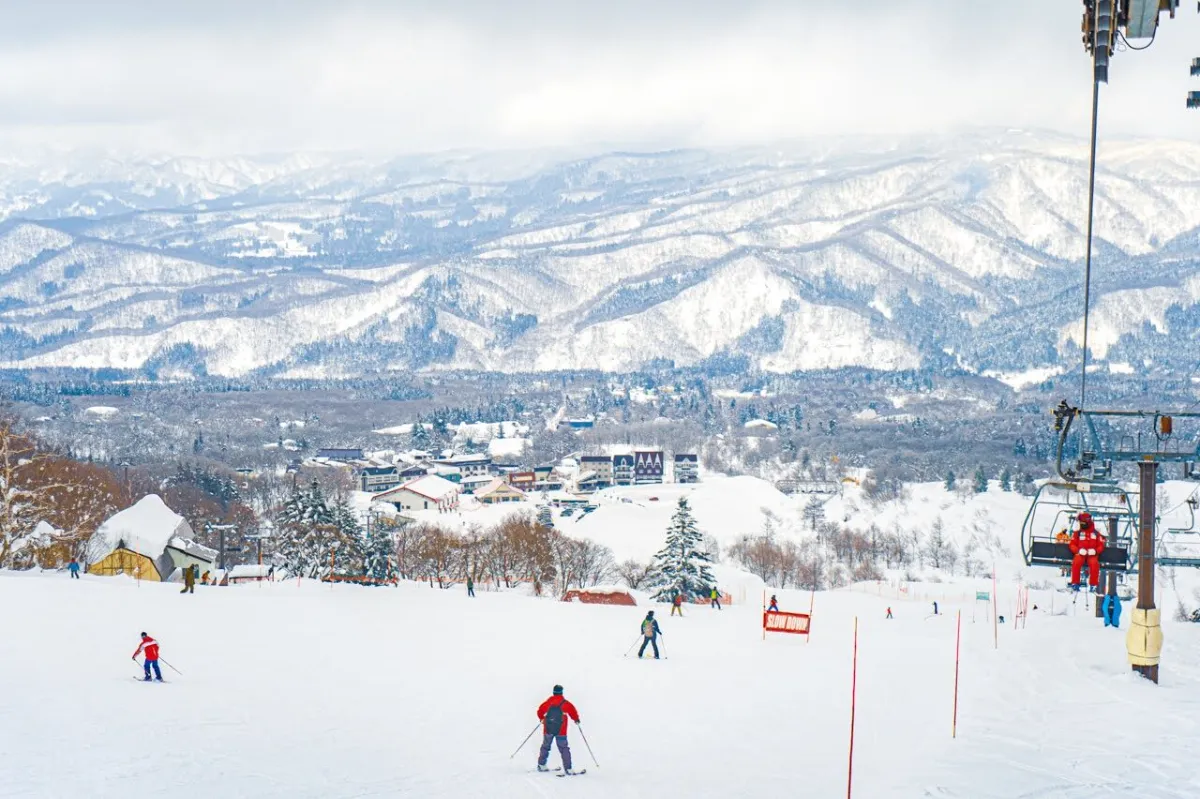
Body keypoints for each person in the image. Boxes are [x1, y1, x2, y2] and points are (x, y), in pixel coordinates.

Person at [536, 685, 580, 774]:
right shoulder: (566, 703)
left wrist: (542, 718)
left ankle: (541, 765)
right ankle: (568, 768)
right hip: (561, 730)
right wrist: (576, 720)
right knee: (564, 748)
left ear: (553, 692)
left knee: (545, 746)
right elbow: (573, 711)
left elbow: (540, 711)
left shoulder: (548, 703)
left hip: (548, 729)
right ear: (562, 692)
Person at [1069, 512, 1105, 591]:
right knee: (1076, 562)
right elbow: (1072, 544)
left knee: (1094, 564)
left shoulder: (1096, 533)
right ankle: (1075, 583)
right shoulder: (1077, 533)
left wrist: (1095, 551)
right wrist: (1078, 550)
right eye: (1081, 523)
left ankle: (1093, 584)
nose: (1082, 524)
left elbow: (1101, 545)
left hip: (1091, 554)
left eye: (1083, 523)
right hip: (1081, 553)